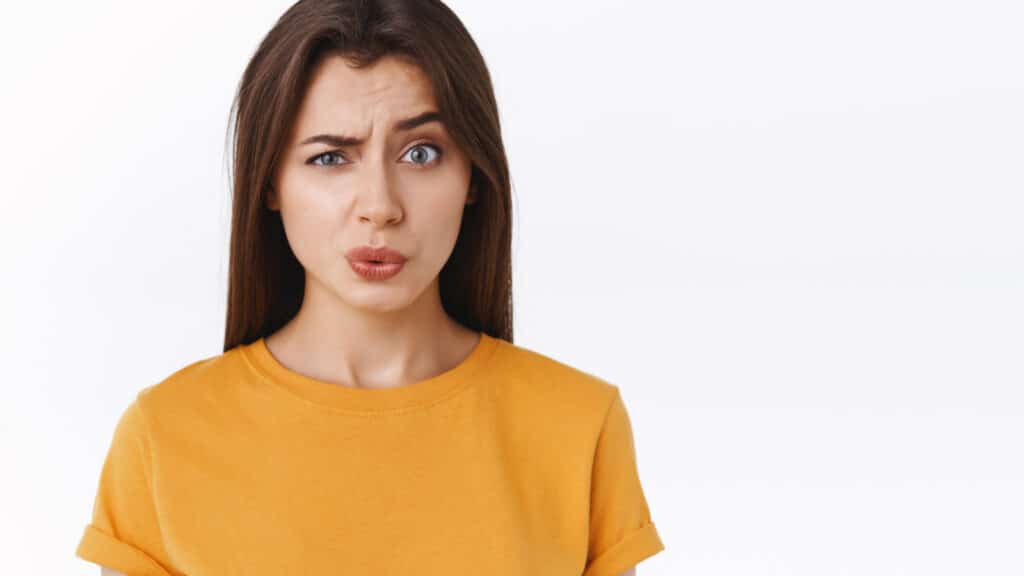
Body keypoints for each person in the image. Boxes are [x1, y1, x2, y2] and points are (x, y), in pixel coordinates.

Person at [75, 0, 665, 574]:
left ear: (473, 179)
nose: (380, 207)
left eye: (421, 152)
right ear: (270, 183)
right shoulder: (163, 436)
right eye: (331, 158)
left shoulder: (578, 425)